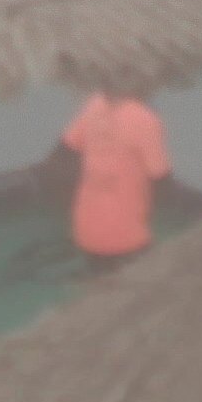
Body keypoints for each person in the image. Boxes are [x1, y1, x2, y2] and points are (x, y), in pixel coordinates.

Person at [60, 85, 171, 267]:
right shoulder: (144, 119)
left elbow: (66, 149)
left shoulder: (95, 103)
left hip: (85, 234)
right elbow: (161, 178)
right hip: (128, 241)